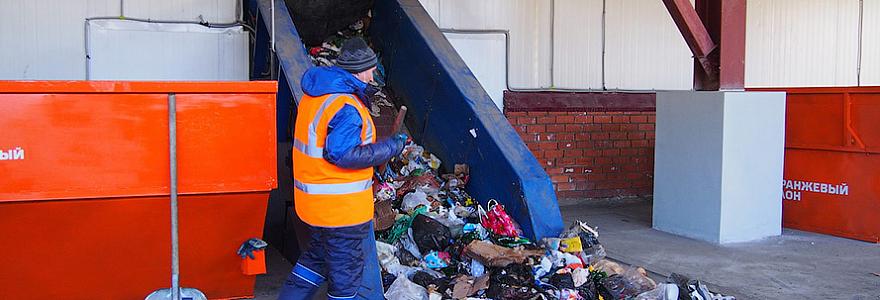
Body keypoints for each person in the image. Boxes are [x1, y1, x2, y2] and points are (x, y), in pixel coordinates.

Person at [277, 37, 407, 300]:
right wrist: (391, 147)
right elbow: (343, 154)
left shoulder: (316, 98)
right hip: (341, 211)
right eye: (371, 70)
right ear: (358, 70)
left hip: (316, 207)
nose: (372, 77)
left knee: (317, 259)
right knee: (346, 278)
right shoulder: (346, 106)